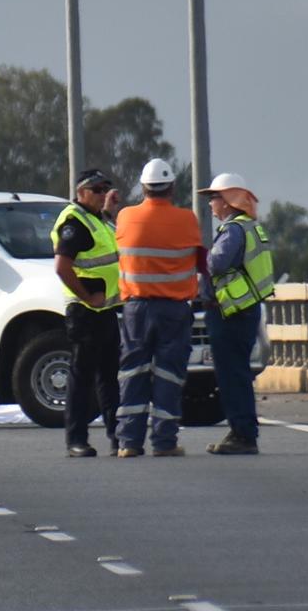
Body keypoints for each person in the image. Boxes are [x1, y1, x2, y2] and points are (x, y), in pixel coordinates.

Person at [113, 159, 205, 457]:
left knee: (132, 372)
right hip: (174, 310)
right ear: (172, 188)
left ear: (143, 187)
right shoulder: (187, 220)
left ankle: (129, 443)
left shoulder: (125, 217)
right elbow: (199, 259)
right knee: (169, 374)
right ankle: (164, 442)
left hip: (136, 309)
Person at [197, 173, 274, 455]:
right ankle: (241, 430)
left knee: (232, 375)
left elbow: (216, 264)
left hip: (231, 312)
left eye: (214, 198)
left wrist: (199, 257)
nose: (210, 204)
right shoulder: (250, 227)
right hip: (244, 310)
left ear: (228, 202)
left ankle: (242, 434)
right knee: (238, 374)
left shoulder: (233, 231)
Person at [51, 168, 123, 458]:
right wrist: (86, 296)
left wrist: (108, 211)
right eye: (96, 189)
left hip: (105, 311)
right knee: (82, 378)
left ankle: (117, 436)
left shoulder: (97, 220)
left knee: (109, 375)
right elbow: (62, 266)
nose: (102, 194)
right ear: (81, 192)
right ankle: (76, 439)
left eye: (105, 189)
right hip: (85, 311)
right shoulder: (74, 221)